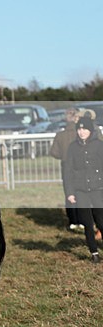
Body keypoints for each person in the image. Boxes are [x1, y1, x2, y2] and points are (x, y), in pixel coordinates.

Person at [65, 115, 103, 263]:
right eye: (79, 129)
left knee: (100, 220)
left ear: (90, 130)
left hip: (98, 188)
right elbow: (68, 171)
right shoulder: (72, 147)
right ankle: (94, 252)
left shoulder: (99, 145)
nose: (81, 132)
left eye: (85, 129)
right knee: (87, 222)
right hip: (80, 189)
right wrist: (70, 192)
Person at [50, 108, 82, 230]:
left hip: (66, 166)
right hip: (81, 166)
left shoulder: (60, 135)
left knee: (69, 192)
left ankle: (72, 221)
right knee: (81, 192)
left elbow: (53, 152)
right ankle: (82, 219)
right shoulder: (81, 134)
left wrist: (63, 156)